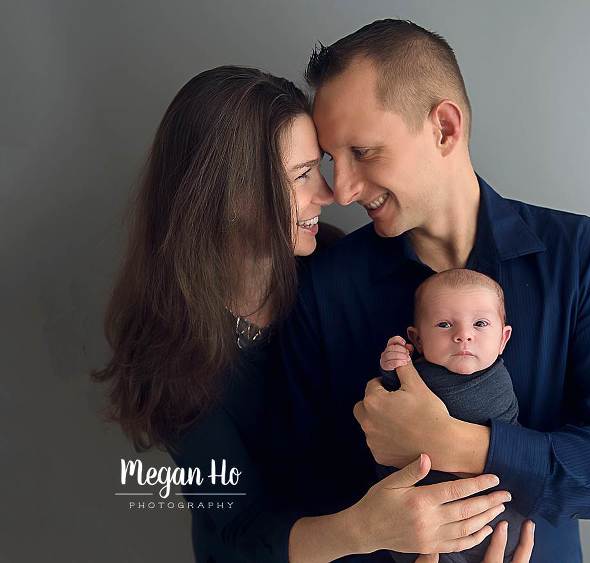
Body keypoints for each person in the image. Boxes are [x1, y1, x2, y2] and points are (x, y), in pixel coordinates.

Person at [280, 19, 590, 563]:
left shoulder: (579, 255)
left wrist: (466, 445)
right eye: (334, 160)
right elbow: (292, 494)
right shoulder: (325, 289)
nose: (343, 189)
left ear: (445, 128)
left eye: (364, 152)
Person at [94, 65, 532, 562]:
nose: (331, 194)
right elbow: (236, 527)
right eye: (302, 175)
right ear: (228, 195)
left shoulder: (332, 270)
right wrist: (364, 530)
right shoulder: (165, 348)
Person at [377, 269, 526, 562]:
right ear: (417, 340)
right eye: (444, 324)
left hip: (491, 511)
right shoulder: (417, 370)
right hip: (419, 516)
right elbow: (388, 402)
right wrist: (393, 366)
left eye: (480, 323)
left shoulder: (496, 382)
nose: (463, 335)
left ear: (503, 339)